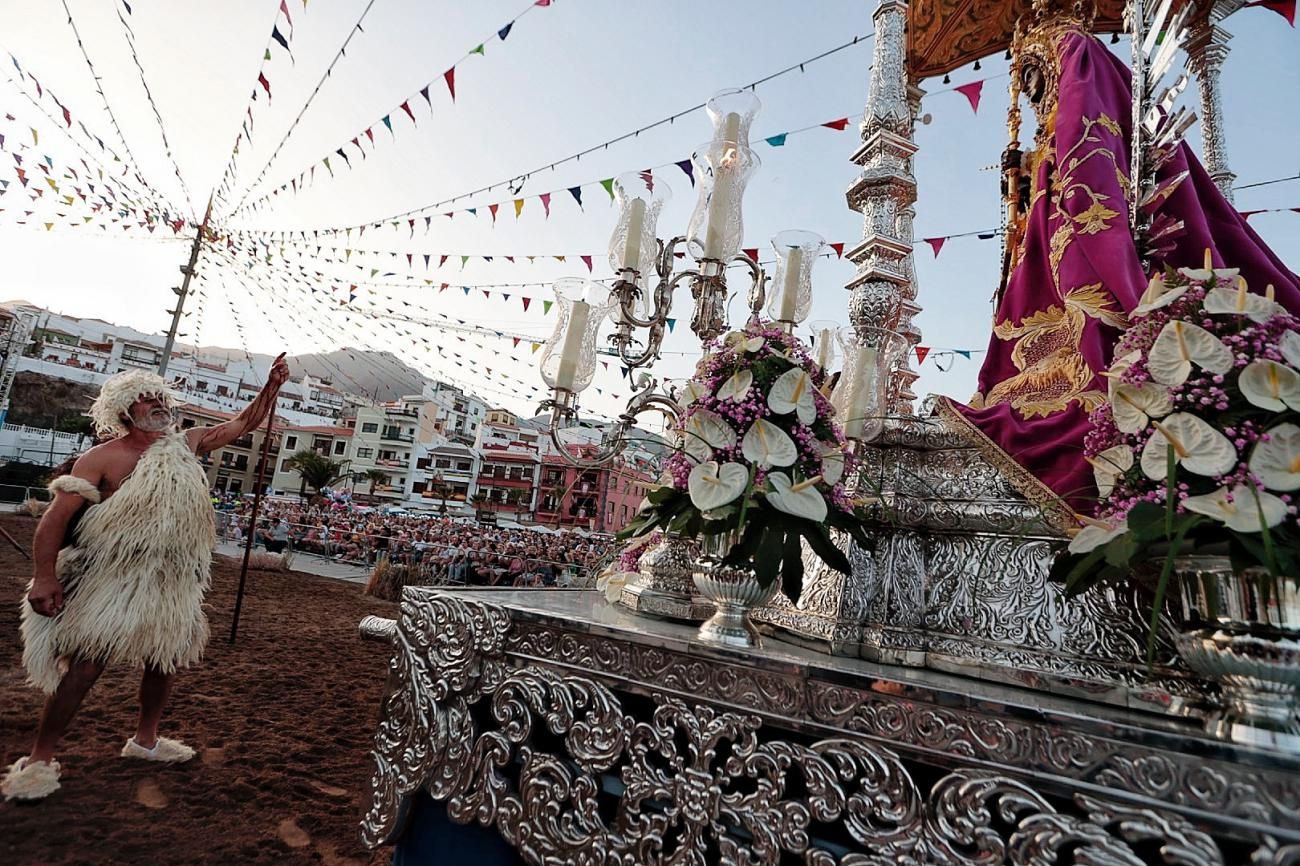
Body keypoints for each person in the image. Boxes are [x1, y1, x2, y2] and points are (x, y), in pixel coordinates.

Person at [938, 0, 1300, 522]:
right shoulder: (1060, 65)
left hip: (1084, 216)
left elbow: (1088, 147)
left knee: (1091, 311)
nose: (1038, 97)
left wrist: (1076, 200)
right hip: (1053, 214)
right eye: (1031, 85)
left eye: (1039, 83)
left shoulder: (1077, 51)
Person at [2, 354, 290, 801]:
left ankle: (146, 741)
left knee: (164, 659)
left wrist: (270, 389)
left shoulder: (187, 443)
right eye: (146, 400)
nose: (158, 404)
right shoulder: (103, 458)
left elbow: (241, 426)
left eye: (161, 397)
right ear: (125, 412)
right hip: (114, 576)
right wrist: (43, 579)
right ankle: (39, 758)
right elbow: (54, 522)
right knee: (86, 665)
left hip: (173, 581)